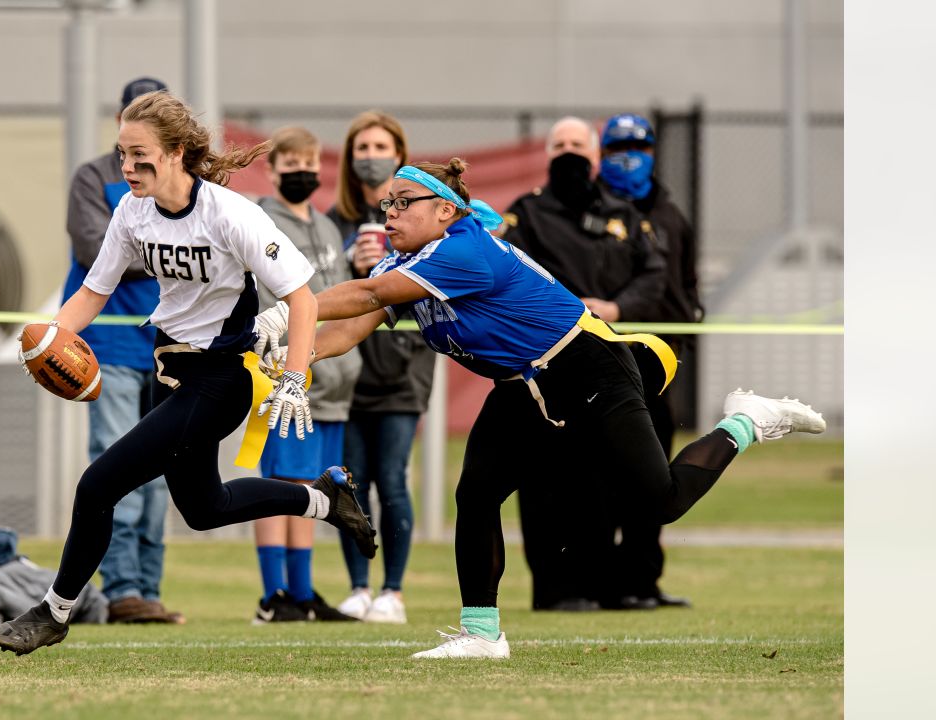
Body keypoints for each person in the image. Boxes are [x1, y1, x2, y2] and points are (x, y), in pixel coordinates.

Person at [255, 158, 824, 659]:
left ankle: (746, 420)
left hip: (585, 365)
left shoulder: (463, 249)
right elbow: (354, 324)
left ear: (448, 211)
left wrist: (287, 311)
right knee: (476, 494)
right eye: (386, 204)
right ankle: (482, 634)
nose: (390, 213)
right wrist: (285, 356)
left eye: (404, 203)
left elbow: (368, 297)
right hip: (523, 384)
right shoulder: (401, 267)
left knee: (660, 502)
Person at [0, 91, 377, 657]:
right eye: (121, 154)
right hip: (168, 371)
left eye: (140, 155)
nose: (127, 167)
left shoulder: (229, 212)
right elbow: (95, 290)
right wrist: (51, 337)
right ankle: (324, 499)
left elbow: (303, 298)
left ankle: (54, 612)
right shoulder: (131, 209)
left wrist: (294, 377)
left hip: (221, 381)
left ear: (175, 153)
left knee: (97, 486)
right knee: (204, 508)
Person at [500, 116, 666, 612]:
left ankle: (607, 584)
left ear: (594, 156)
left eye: (578, 144)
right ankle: (556, 588)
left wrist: (615, 308)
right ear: (548, 154)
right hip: (548, 370)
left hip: (614, 368)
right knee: (549, 483)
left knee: (608, 479)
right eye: (560, 144)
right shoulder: (525, 215)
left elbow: (653, 276)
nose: (569, 151)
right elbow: (505, 274)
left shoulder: (624, 215)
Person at [63, 76, 183, 625]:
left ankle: (148, 589)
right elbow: (94, 252)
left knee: (161, 472)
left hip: (167, 343)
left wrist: (142, 249)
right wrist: (162, 249)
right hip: (108, 340)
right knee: (115, 464)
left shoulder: (185, 182)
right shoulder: (94, 177)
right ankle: (122, 590)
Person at [250, 126, 363, 624]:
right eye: (290, 163)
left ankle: (303, 592)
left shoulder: (328, 227)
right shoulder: (259, 221)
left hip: (333, 379)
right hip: (285, 374)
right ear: (272, 170)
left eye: (310, 163)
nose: (302, 172)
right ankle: (274, 596)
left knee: (313, 489)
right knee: (280, 482)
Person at [326, 111, 434, 624]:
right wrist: (349, 263)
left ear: (400, 154)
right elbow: (315, 284)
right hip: (347, 375)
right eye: (361, 148)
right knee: (349, 482)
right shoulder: (333, 219)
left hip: (402, 373)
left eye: (380, 147)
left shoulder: (424, 218)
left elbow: (431, 289)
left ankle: (393, 590)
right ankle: (358, 586)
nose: (371, 157)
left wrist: (387, 268)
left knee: (392, 481)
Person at [597, 112, 705, 610]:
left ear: (653, 153)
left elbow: (684, 285)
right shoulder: (596, 215)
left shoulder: (670, 216)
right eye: (617, 148)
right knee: (607, 475)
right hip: (604, 363)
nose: (628, 157)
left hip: (659, 363)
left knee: (654, 472)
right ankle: (605, 580)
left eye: (638, 148)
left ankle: (643, 580)